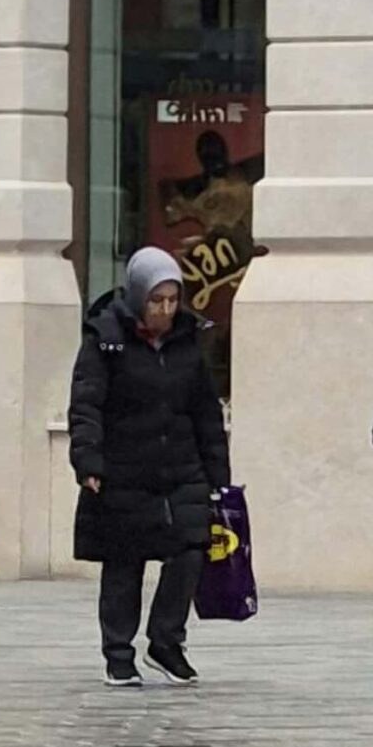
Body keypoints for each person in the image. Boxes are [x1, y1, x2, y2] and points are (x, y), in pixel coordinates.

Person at [70, 247, 231, 688]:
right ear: (139, 296)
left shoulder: (188, 342)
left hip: (181, 467)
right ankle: (118, 653)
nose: (164, 310)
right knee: (125, 561)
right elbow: (87, 403)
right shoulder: (106, 338)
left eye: (172, 300)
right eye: (156, 300)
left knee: (190, 550)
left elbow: (205, 413)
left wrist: (219, 477)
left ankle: (166, 640)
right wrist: (88, 460)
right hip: (124, 468)